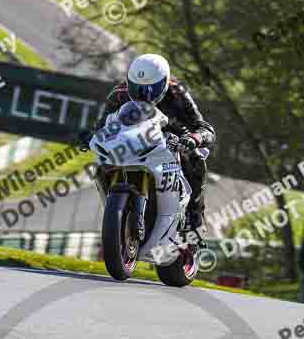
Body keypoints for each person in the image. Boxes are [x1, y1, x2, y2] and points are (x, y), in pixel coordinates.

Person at [91, 54, 215, 230]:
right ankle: (113, 208)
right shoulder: (120, 94)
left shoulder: (177, 92)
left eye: (151, 89)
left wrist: (194, 139)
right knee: (100, 164)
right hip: (131, 142)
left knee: (196, 158)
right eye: (137, 88)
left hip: (169, 140)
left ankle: (194, 218)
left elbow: (205, 128)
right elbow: (101, 124)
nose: (143, 95)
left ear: (164, 83)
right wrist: (92, 135)